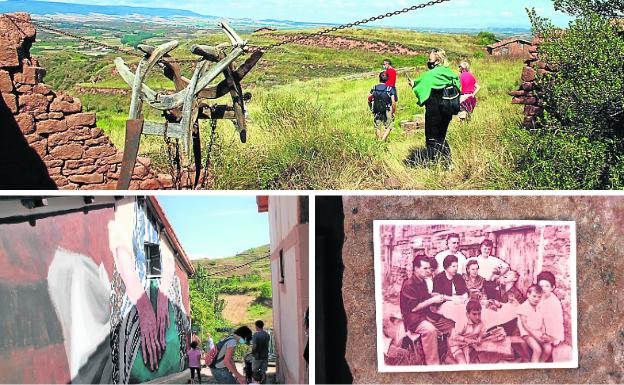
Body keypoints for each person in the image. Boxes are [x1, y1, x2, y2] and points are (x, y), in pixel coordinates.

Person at [409, 48, 460, 164]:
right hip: (448, 109)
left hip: (434, 110)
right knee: (441, 137)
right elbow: (458, 86)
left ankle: (432, 165)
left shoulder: (432, 74)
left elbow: (421, 89)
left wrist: (413, 85)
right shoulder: (449, 73)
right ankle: (448, 162)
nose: (428, 61)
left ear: (437, 61)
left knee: (431, 139)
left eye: (430, 58)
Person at [399, 255, 447, 365]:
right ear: (416, 269)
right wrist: (432, 300)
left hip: (424, 314)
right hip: (413, 319)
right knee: (430, 330)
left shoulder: (422, 281)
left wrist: (432, 295)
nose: (428, 271)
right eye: (424, 268)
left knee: (448, 323)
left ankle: (448, 355)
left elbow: (423, 298)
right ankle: (433, 364)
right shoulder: (409, 284)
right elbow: (414, 307)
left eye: (428, 268)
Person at [517, 285, 549, 363]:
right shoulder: (523, 307)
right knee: (537, 350)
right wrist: (535, 335)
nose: (536, 299)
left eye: (539, 297)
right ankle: (534, 368)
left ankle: (540, 365)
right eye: (534, 296)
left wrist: (543, 333)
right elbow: (525, 325)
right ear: (528, 294)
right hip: (527, 333)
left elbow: (543, 322)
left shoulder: (540, 306)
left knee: (548, 349)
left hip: (538, 331)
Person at [536, 271, 565, 358]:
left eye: (547, 286)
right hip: (536, 328)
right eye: (541, 286)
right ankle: (527, 360)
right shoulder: (536, 296)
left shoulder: (554, 304)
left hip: (548, 333)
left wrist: (553, 338)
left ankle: (539, 365)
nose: (543, 289)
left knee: (547, 349)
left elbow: (557, 323)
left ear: (552, 287)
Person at [368, 71, 397, 141]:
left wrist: (371, 108)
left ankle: (379, 140)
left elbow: (369, 99)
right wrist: (393, 111)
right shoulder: (390, 89)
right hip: (387, 109)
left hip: (377, 109)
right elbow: (393, 102)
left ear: (379, 78)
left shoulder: (374, 88)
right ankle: (383, 140)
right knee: (390, 125)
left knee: (377, 126)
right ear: (387, 79)